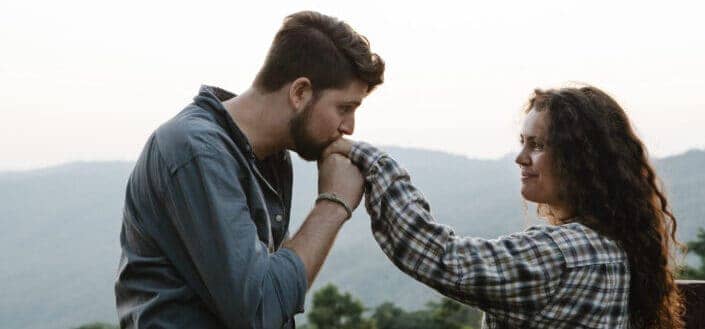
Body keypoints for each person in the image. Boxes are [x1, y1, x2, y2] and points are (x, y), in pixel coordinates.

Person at [324, 86, 684, 328]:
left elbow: (443, 258)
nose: (520, 158)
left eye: (538, 145)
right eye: (523, 142)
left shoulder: (568, 254)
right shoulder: (609, 244)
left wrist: (370, 161)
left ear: (580, 159)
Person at [114, 11, 384, 329]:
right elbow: (260, 310)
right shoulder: (198, 152)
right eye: (344, 108)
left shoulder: (271, 158)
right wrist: (333, 204)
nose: (349, 127)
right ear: (300, 93)